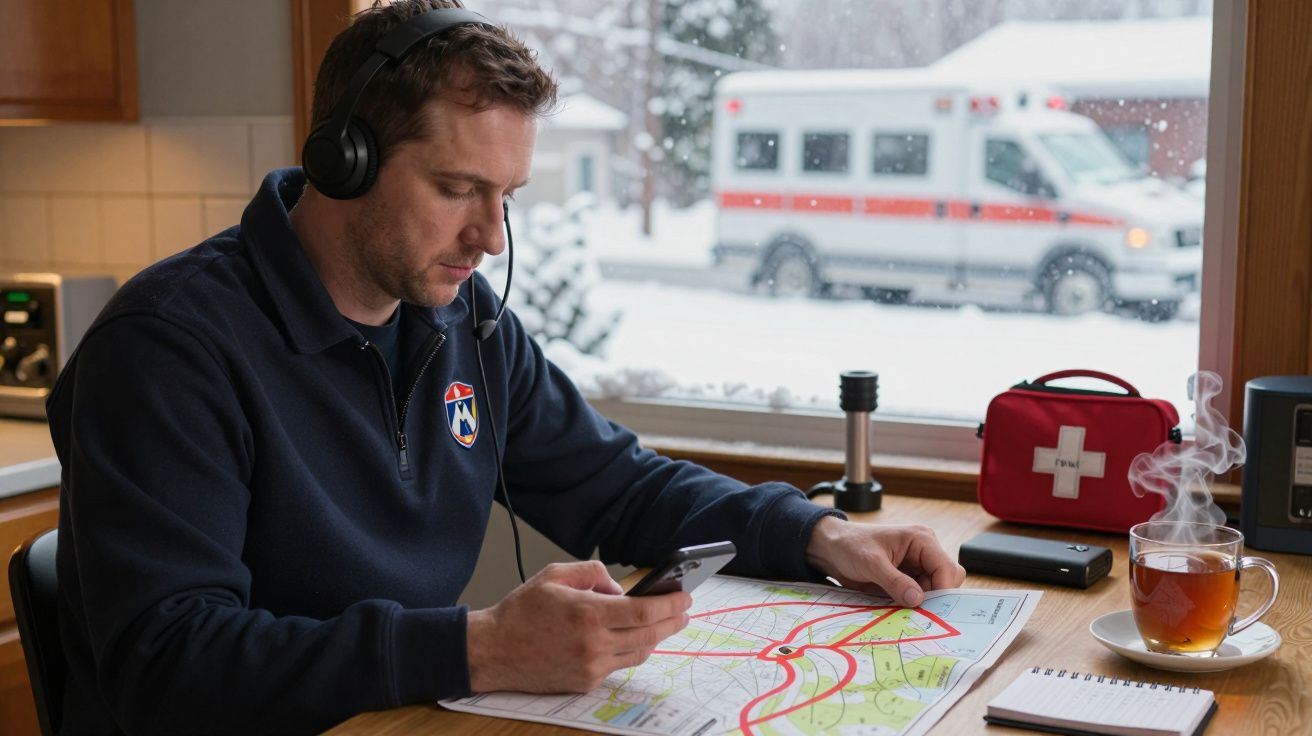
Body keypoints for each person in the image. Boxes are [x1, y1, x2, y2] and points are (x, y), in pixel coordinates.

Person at [46, 1, 966, 733]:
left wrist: (814, 533)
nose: (489, 237)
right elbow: (169, 669)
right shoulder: (169, 349)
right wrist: (479, 648)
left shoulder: (462, 323)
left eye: (507, 197)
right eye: (457, 190)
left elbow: (618, 488)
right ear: (345, 160)